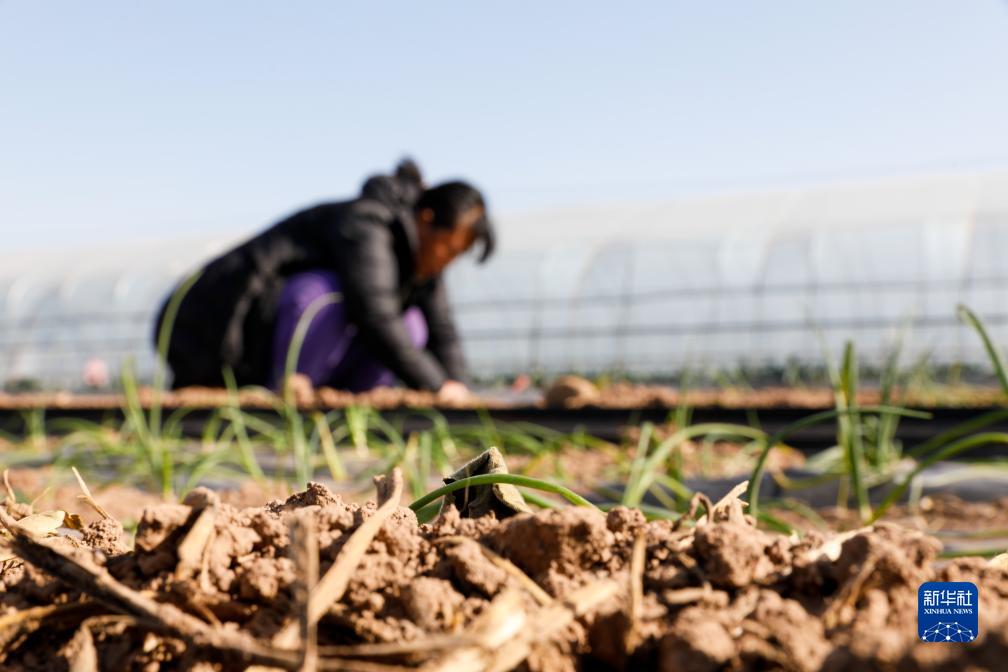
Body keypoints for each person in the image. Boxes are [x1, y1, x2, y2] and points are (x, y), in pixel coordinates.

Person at [153, 160, 492, 402]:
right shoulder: (367, 224)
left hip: (277, 343)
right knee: (325, 295)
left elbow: (442, 329)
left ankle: (346, 402)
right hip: (217, 336)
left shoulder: (422, 261)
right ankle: (289, 393)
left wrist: (458, 390)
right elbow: (373, 312)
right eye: (447, 248)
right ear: (426, 219)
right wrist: (435, 385)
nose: (445, 261)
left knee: (413, 323)